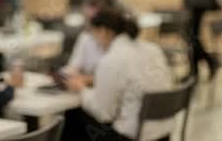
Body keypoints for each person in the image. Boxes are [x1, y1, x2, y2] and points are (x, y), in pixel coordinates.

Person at [63, 8, 175, 141]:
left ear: (103, 31)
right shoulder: (153, 49)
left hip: (132, 137)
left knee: (73, 115)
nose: (96, 43)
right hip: (164, 135)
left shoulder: (111, 60)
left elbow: (104, 114)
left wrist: (81, 88)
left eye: (94, 36)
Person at [63, 0, 109, 78]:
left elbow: (108, 76)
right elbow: (74, 66)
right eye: (86, 17)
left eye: (92, 18)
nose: (88, 22)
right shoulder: (85, 37)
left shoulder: (111, 41)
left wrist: (84, 78)